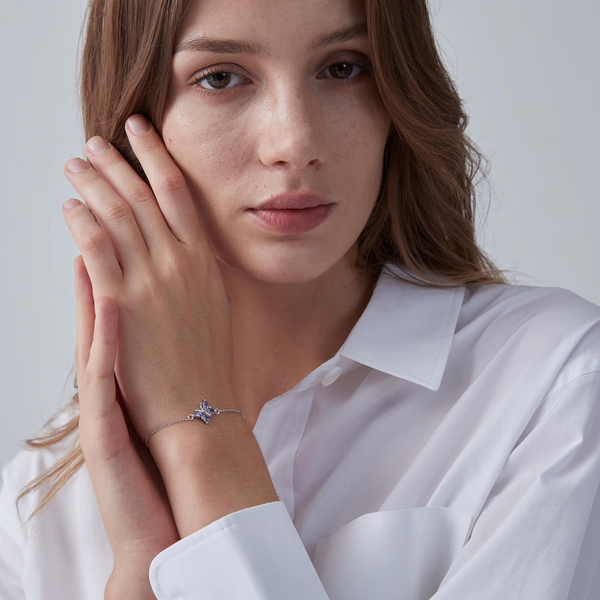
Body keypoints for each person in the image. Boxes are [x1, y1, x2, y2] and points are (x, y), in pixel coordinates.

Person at [2, 0, 600, 598]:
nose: (295, 142)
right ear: (137, 126)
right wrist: (139, 573)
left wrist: (198, 434)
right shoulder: (39, 502)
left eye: (343, 68)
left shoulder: (558, 383)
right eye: (221, 77)